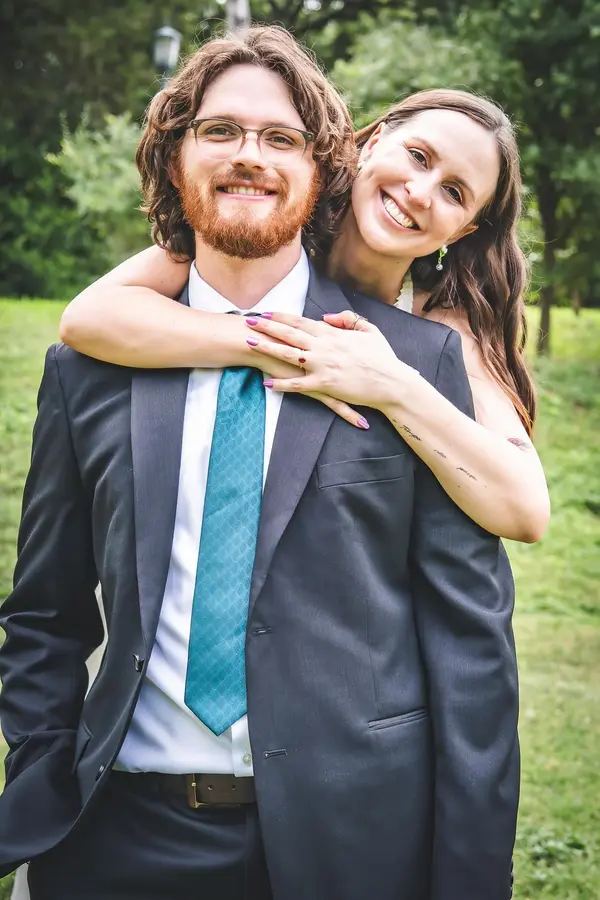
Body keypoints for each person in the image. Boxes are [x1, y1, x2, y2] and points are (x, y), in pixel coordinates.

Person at [0, 25, 519, 900]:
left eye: (282, 137)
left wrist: (470, 877)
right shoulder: (89, 369)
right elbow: (45, 613)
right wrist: (44, 770)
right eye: (220, 131)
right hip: (116, 838)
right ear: (175, 158)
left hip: (354, 845)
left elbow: (471, 650)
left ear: (323, 170)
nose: (250, 155)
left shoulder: (411, 364)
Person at [60, 94, 550, 544]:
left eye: (454, 193)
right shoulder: (272, 229)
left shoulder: (444, 326)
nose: (420, 192)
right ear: (375, 143)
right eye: (418, 157)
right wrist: (278, 346)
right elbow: (87, 317)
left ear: (462, 230)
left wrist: (390, 384)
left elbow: (525, 511)